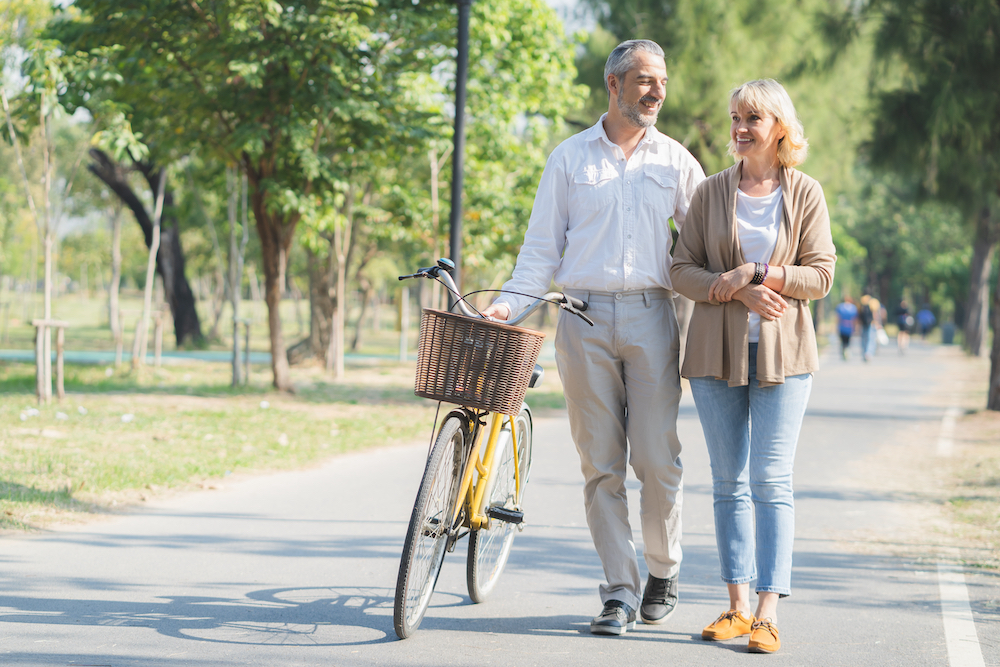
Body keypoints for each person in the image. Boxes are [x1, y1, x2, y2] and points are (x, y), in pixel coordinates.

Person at [481, 39, 706, 635]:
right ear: (613, 85)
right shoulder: (570, 159)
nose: (657, 90)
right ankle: (618, 591)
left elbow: (708, 244)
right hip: (580, 320)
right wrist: (509, 305)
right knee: (601, 465)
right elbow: (539, 252)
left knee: (657, 460)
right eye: (644, 80)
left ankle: (664, 566)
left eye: (662, 80)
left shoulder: (677, 162)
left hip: (654, 316)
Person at [670, 79, 836, 654]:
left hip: (784, 357)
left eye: (752, 119)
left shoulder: (805, 193)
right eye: (735, 117)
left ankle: (768, 610)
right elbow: (680, 270)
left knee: (770, 479)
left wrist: (758, 274)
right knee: (727, 482)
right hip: (715, 355)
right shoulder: (710, 192)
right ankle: (737, 607)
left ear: (780, 128)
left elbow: (820, 275)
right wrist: (732, 287)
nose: (739, 128)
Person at [835, 295, 858, 360]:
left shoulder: (840, 307)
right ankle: (847, 352)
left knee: (843, 341)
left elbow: (837, 318)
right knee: (848, 341)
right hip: (849, 327)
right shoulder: (853, 308)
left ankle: (844, 351)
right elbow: (855, 319)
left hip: (842, 327)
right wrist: (855, 327)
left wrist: (836, 326)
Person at [858, 294, 876, 361]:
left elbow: (859, 313)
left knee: (863, 339)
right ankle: (868, 353)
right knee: (870, 339)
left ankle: (864, 352)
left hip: (863, 323)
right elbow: (874, 313)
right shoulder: (873, 302)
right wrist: (875, 322)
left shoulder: (861, 301)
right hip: (870, 323)